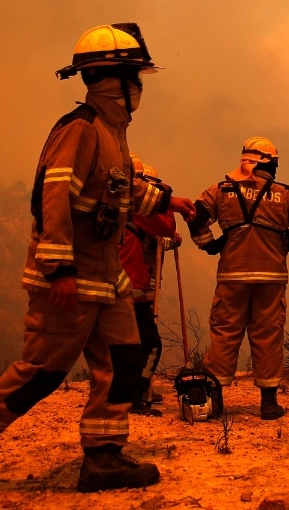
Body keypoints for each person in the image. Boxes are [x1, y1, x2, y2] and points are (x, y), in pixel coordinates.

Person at [0, 23, 196, 492]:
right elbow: (53, 197)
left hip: (106, 278)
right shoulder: (81, 129)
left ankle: (103, 457)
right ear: (114, 78)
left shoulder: (113, 133)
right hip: (72, 276)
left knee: (125, 361)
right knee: (45, 370)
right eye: (136, 76)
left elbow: (112, 191)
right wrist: (59, 270)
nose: (139, 87)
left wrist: (166, 201)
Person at [187, 136, 289, 420]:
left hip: (232, 275)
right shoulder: (285, 193)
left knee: (225, 334)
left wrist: (209, 244)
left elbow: (195, 214)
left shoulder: (221, 190)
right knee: (268, 335)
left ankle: (215, 401)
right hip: (271, 277)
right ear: (270, 163)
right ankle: (269, 403)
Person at [121, 157, 180, 416]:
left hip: (119, 285)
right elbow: (164, 226)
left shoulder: (114, 207)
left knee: (119, 346)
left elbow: (151, 240)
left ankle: (125, 393)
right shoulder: (137, 208)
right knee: (148, 344)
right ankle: (134, 395)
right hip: (131, 288)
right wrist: (164, 200)